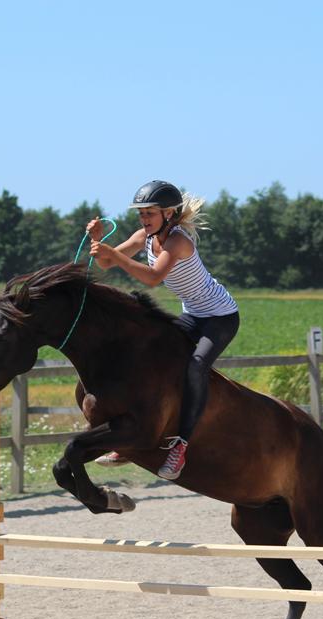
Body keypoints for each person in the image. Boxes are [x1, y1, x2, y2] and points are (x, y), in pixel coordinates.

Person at [86, 180, 239, 480]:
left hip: (220, 317)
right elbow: (105, 263)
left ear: (168, 214)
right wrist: (97, 239)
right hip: (193, 314)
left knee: (195, 367)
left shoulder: (178, 242)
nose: (144, 219)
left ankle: (181, 446)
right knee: (148, 355)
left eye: (150, 213)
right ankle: (131, 435)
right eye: (141, 213)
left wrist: (114, 255)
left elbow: (154, 277)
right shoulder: (144, 237)